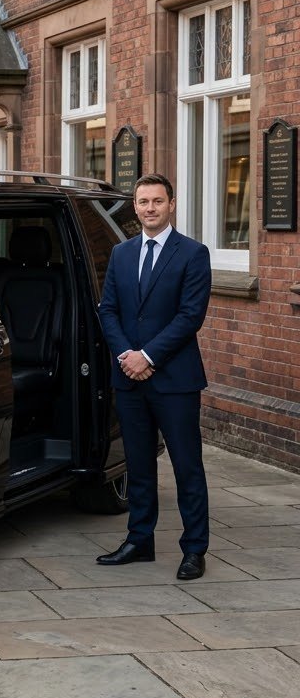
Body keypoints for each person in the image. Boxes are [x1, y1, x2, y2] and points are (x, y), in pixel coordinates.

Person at [96, 173, 212, 581]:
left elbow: (189, 317)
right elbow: (107, 309)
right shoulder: (121, 253)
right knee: (139, 465)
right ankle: (139, 539)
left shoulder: (193, 254)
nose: (149, 208)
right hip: (128, 378)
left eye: (157, 201)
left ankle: (194, 549)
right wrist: (127, 355)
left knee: (186, 467)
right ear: (135, 205)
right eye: (142, 201)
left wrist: (148, 355)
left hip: (175, 381)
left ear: (171, 204)